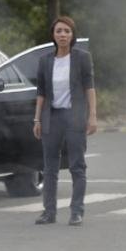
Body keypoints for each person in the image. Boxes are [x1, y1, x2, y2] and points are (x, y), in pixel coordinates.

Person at [32, 16, 97, 225]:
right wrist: (37, 119)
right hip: (52, 118)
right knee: (49, 168)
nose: (63, 35)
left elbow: (90, 88)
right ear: (53, 35)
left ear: (72, 35)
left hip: (75, 117)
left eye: (67, 31)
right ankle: (48, 212)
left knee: (77, 166)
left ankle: (76, 211)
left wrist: (92, 116)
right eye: (59, 31)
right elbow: (41, 92)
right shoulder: (45, 60)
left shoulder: (82, 58)